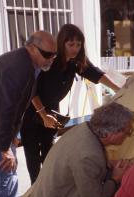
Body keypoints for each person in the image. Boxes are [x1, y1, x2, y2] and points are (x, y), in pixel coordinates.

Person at [20, 23, 121, 184]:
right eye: (71, 44)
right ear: (62, 43)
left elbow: (96, 74)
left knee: (49, 159)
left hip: (52, 116)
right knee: (33, 162)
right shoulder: (49, 60)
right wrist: (43, 114)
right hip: (33, 114)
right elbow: (32, 91)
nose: (75, 48)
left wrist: (119, 89)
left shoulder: (75, 62)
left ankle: (49, 194)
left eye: (79, 44)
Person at [0, 31, 56, 197]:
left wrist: (12, 137)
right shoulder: (18, 67)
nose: (52, 59)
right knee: (6, 177)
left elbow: (19, 104)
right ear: (31, 48)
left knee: (3, 177)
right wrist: (4, 148)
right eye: (48, 54)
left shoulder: (28, 64)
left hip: (1, 128)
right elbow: (5, 108)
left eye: (54, 54)